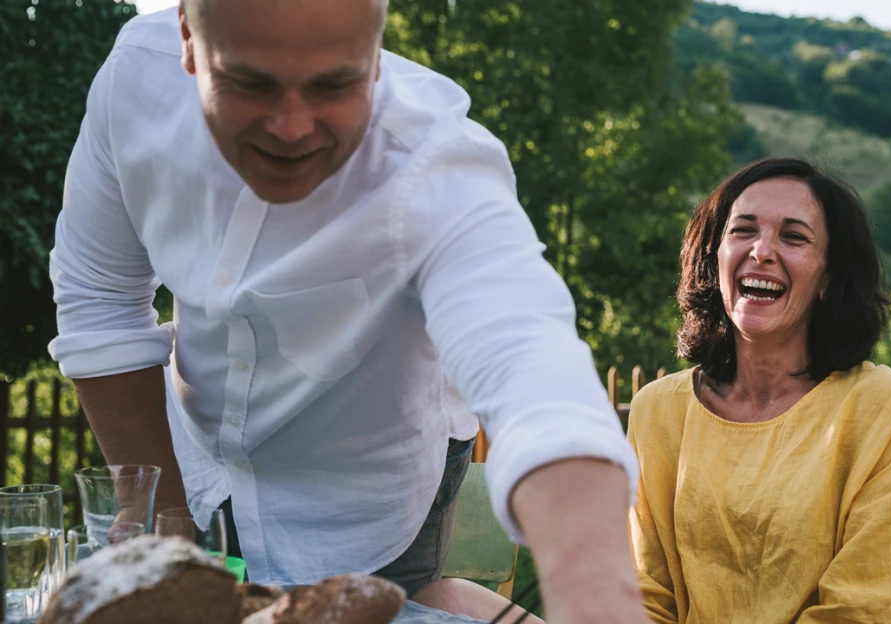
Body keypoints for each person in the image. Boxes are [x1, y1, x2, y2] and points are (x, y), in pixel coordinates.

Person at [48, 1, 648, 622]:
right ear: (188, 39)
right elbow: (100, 298)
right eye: (250, 82)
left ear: (376, 51)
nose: (291, 126)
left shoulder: (435, 160)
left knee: (394, 607)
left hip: (376, 486)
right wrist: (160, 528)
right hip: (203, 459)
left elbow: (533, 372)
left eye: (335, 84)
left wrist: (593, 591)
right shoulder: (133, 80)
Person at [627, 157, 891, 623]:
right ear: (714, 256)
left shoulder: (883, 407)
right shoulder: (656, 411)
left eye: (794, 236)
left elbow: (868, 612)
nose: (762, 251)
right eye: (742, 230)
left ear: (828, 279)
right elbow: (641, 597)